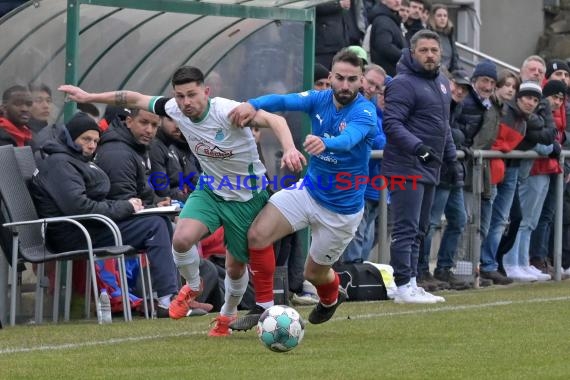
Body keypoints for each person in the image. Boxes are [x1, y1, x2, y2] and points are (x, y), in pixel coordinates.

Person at [58, 66, 305, 336]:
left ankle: (226, 316)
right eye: (179, 96)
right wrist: (89, 95)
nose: (186, 102)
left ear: (206, 92)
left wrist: (290, 148)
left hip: (245, 196)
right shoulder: (173, 109)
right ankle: (193, 285)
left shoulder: (227, 111)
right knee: (181, 238)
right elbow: (133, 98)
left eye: (192, 95)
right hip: (210, 189)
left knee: (235, 268)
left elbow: (276, 121)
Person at [228, 48, 377, 329]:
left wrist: (326, 143)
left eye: (352, 80)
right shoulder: (319, 98)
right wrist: (252, 103)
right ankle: (263, 308)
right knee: (257, 235)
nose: (345, 85)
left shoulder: (365, 111)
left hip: (341, 211)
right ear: (331, 76)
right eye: (340, 78)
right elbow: (284, 100)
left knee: (314, 273)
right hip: (308, 192)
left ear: (361, 82)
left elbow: (349, 139)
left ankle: (332, 296)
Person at [29, 112, 206, 317]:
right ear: (70, 138)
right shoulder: (60, 163)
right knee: (154, 225)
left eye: (95, 140)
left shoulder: (77, 160)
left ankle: (171, 297)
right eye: (86, 139)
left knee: (159, 222)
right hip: (74, 233)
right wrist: (125, 207)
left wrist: (131, 204)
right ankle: (167, 301)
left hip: (90, 226)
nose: (92, 145)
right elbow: (79, 207)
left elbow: (92, 202)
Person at [381, 29, 459, 304]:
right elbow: (392, 123)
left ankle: (412, 282)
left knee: (422, 228)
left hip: (429, 166)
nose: (429, 55)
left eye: (434, 50)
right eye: (423, 50)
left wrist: (451, 158)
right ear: (412, 52)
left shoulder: (442, 82)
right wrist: (418, 148)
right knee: (406, 227)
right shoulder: (403, 83)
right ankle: (402, 285)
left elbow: (444, 126)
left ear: (441, 54)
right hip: (406, 165)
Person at [417, 69, 471, 291]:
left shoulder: (457, 109)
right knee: (429, 223)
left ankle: (443, 269)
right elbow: (449, 134)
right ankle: (421, 271)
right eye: (456, 85)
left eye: (464, 88)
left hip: (452, 175)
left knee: (459, 220)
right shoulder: (437, 105)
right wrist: (459, 140)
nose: (459, 91)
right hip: (437, 172)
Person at [341, 63, 387, 264]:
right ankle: (352, 276)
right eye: (370, 83)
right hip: (355, 182)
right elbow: (379, 141)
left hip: (375, 183)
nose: (372, 89)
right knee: (357, 235)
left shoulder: (377, 112)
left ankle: (359, 277)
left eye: (378, 87)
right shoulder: (351, 105)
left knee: (367, 235)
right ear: (361, 78)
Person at [149, 115, 200, 202]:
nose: (177, 125)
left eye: (180, 120)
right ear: (160, 120)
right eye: (171, 119)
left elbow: (191, 180)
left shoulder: (172, 146)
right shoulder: (155, 147)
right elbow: (163, 192)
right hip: (169, 206)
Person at [368, 0, 407, 77]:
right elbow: (384, 46)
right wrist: (406, 57)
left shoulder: (391, 19)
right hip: (386, 76)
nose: (398, 1)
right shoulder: (383, 21)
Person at [428, 3, 459, 72]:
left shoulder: (449, 34)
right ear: (433, 17)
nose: (442, 18)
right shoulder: (428, 34)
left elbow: (455, 57)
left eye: (445, 16)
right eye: (439, 15)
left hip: (449, 73)